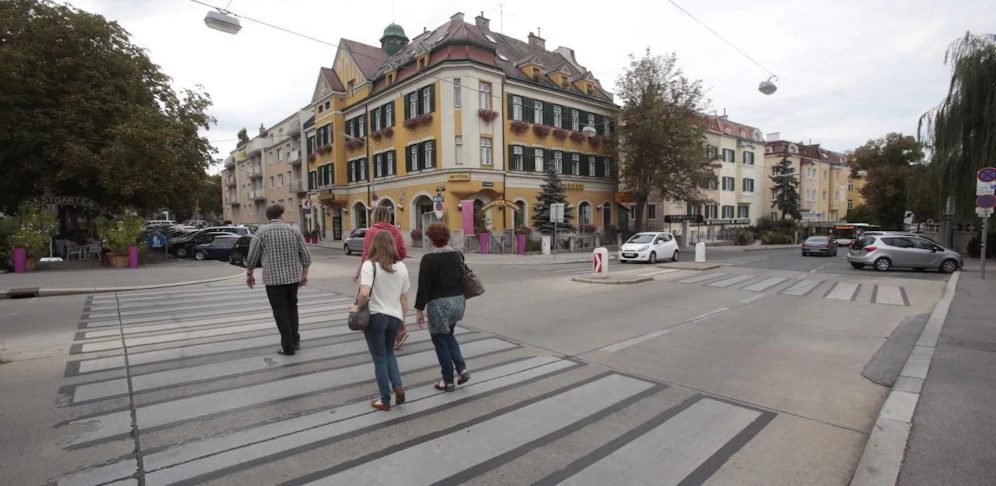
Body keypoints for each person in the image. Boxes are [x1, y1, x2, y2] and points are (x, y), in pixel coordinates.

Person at [350, 231, 410, 411]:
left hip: (376, 317)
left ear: (374, 245)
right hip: (394, 317)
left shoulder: (370, 265)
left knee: (379, 358)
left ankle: (384, 400)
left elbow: (364, 292)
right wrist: (403, 320)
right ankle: (397, 387)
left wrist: (357, 308)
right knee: (389, 353)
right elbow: (404, 298)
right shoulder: (401, 267)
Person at [245, 204, 312, 356]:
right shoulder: (293, 231)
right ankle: (294, 340)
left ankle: (287, 345)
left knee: (279, 310)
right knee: (292, 308)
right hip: (292, 278)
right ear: (281, 215)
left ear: (268, 216)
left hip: (273, 280)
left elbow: (252, 256)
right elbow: (306, 255)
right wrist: (305, 274)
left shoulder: (261, 232)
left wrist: (250, 274)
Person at [415, 223, 470, 392]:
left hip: (439, 305)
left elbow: (423, 287)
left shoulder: (428, 258)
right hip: (458, 302)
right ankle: (461, 369)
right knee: (449, 335)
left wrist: (419, 310)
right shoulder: (457, 254)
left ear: (431, 238)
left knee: (440, 341)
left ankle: (447, 380)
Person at [355, 206, 410, 350]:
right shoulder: (396, 231)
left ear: (375, 216)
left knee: (375, 300)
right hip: (395, 268)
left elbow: (366, 253)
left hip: (376, 269)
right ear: (388, 216)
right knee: (395, 300)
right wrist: (396, 261)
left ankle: (379, 336)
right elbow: (403, 251)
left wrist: (359, 271)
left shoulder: (372, 231)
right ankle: (398, 330)